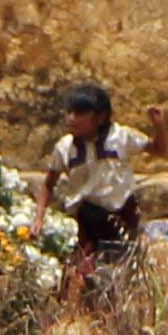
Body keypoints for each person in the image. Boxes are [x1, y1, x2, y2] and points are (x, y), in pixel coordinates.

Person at [45, 77, 146, 261]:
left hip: (121, 213)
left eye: (80, 113)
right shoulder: (65, 148)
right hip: (86, 217)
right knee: (85, 267)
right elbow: (48, 184)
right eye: (69, 112)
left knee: (123, 265)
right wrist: (39, 218)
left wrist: (159, 126)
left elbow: (157, 148)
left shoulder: (120, 137)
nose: (71, 118)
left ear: (100, 117)